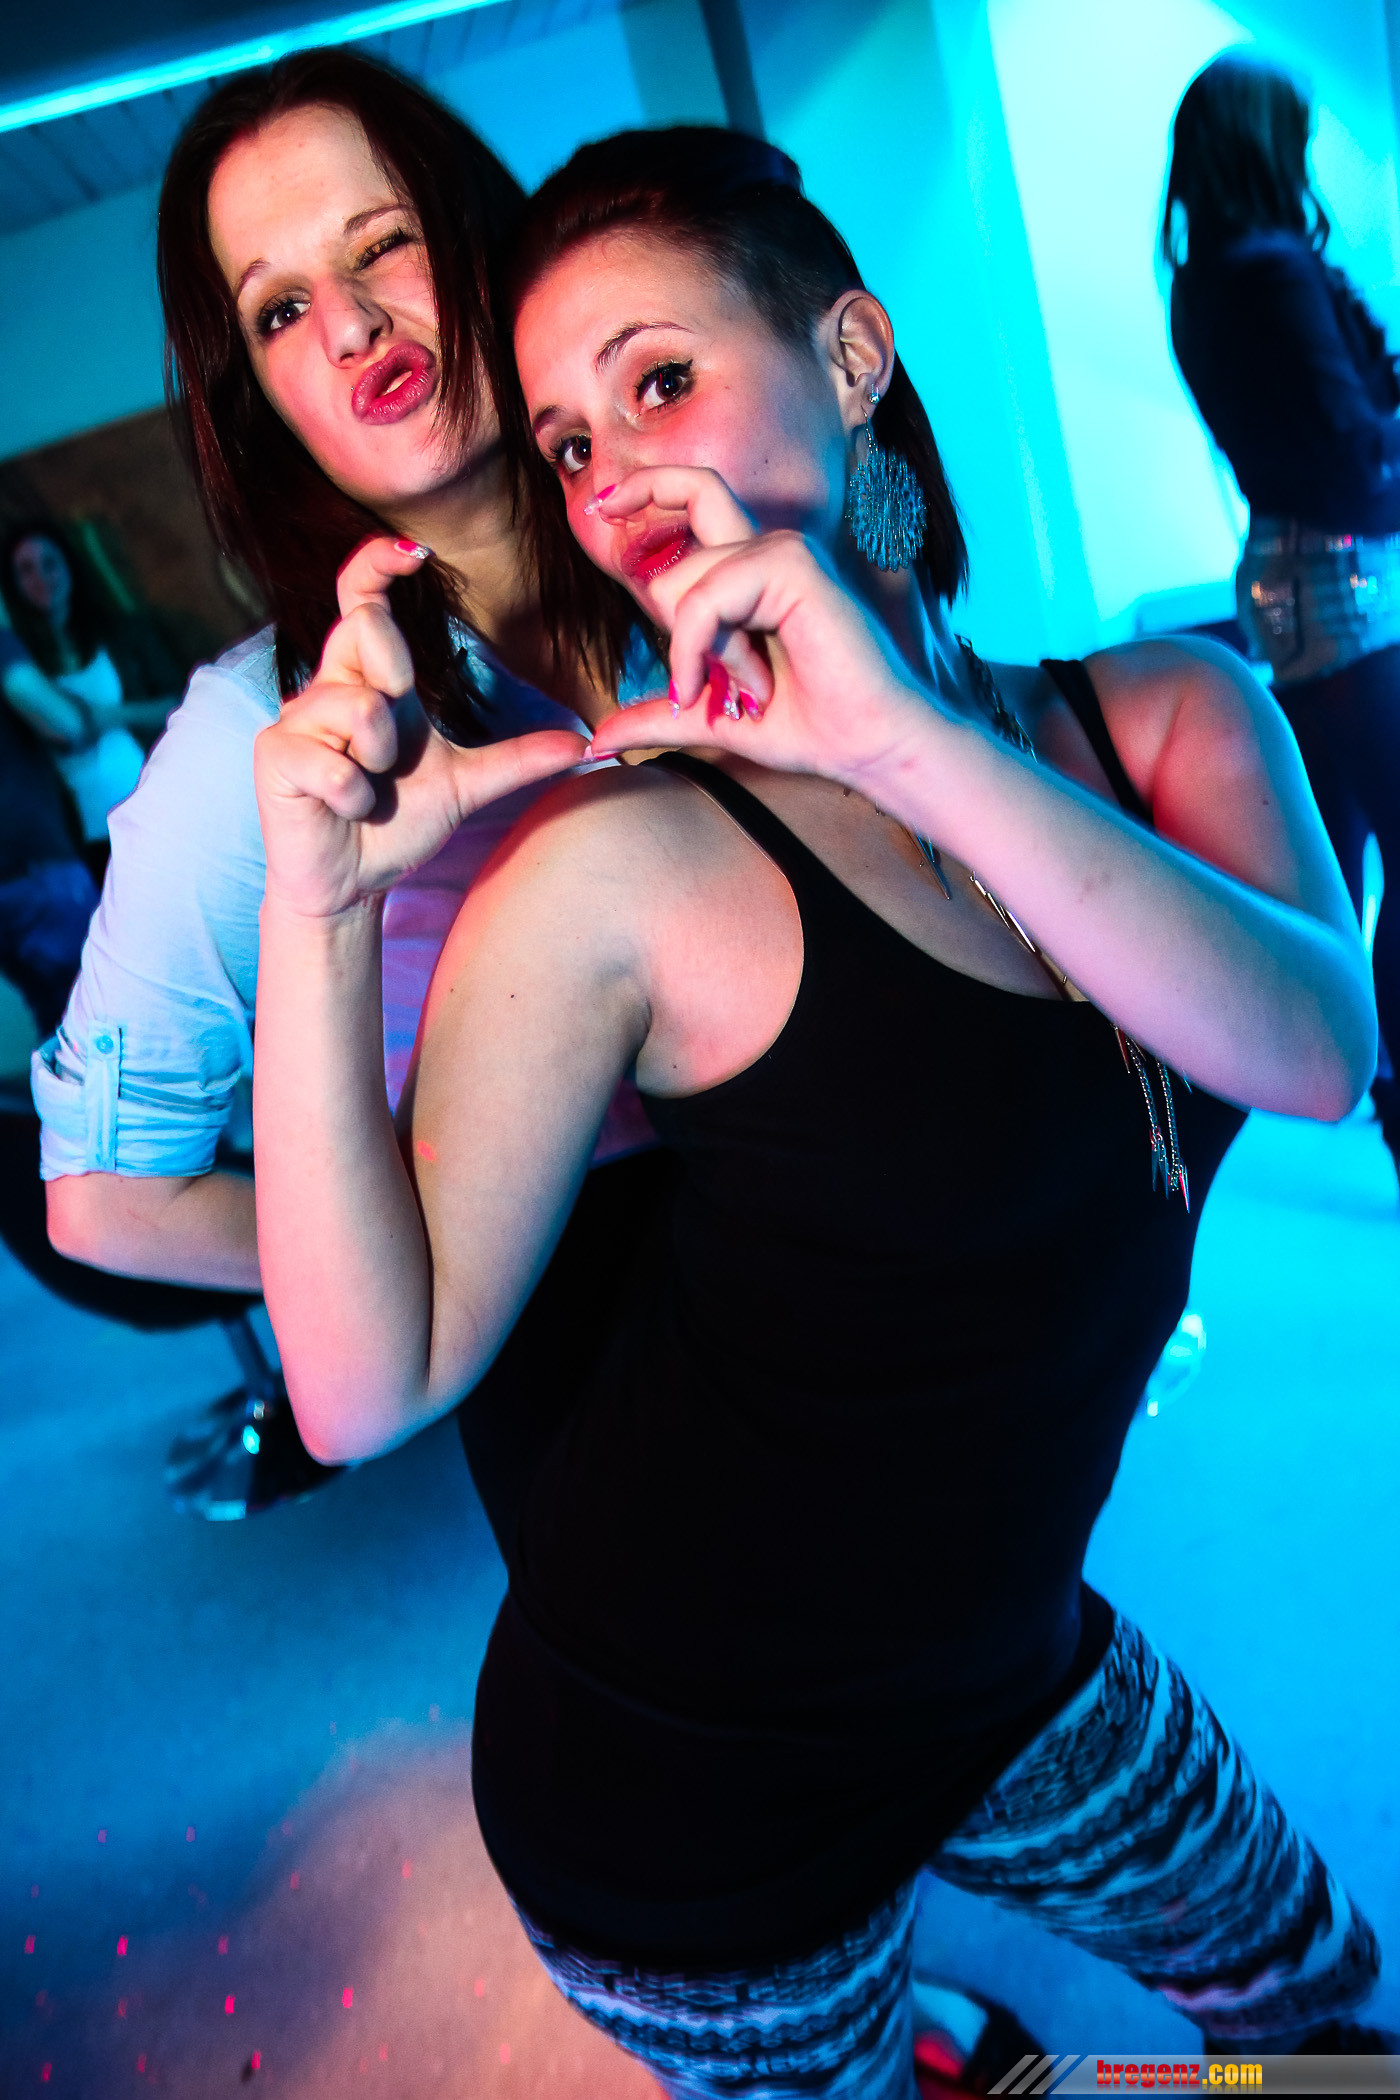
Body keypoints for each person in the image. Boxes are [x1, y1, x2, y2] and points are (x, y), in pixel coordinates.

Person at [248, 128, 1386, 2097]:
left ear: (851, 355)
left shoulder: (1167, 713)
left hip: (1013, 1666)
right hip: (690, 1803)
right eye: (568, 442)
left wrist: (904, 742)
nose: (610, 480)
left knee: (1318, 2009)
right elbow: (360, 1390)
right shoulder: (624, 866)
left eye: (657, 381)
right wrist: (319, 908)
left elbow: (1312, 1047)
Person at [33, 49, 658, 1527]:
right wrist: (423, 1253)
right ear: (261, 399)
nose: (355, 324)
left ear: (486, 239)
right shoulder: (260, 731)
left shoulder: (695, 549)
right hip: (608, 1409)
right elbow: (107, 1199)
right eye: (279, 309)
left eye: (383, 243)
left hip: (870, 1293)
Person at [1166, 50, 1400, 1181]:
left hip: (1286, 580)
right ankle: (1387, 1090)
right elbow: (1357, 462)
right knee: (1368, 857)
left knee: (1336, 865)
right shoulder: (1272, 269)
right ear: (1267, 141)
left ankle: (1357, 1072)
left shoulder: (1204, 278)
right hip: (1341, 586)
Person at [1, 520, 182, 883]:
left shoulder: (121, 634)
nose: (41, 578)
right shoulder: (20, 671)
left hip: (160, 804)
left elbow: (181, 706)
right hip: (90, 837)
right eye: (27, 570)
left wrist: (104, 716)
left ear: (68, 565)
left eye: (49, 563)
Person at [0, 617, 99, 1037]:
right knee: (105, 1003)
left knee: (56, 1021)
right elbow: (61, 722)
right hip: (34, 862)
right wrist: (81, 717)